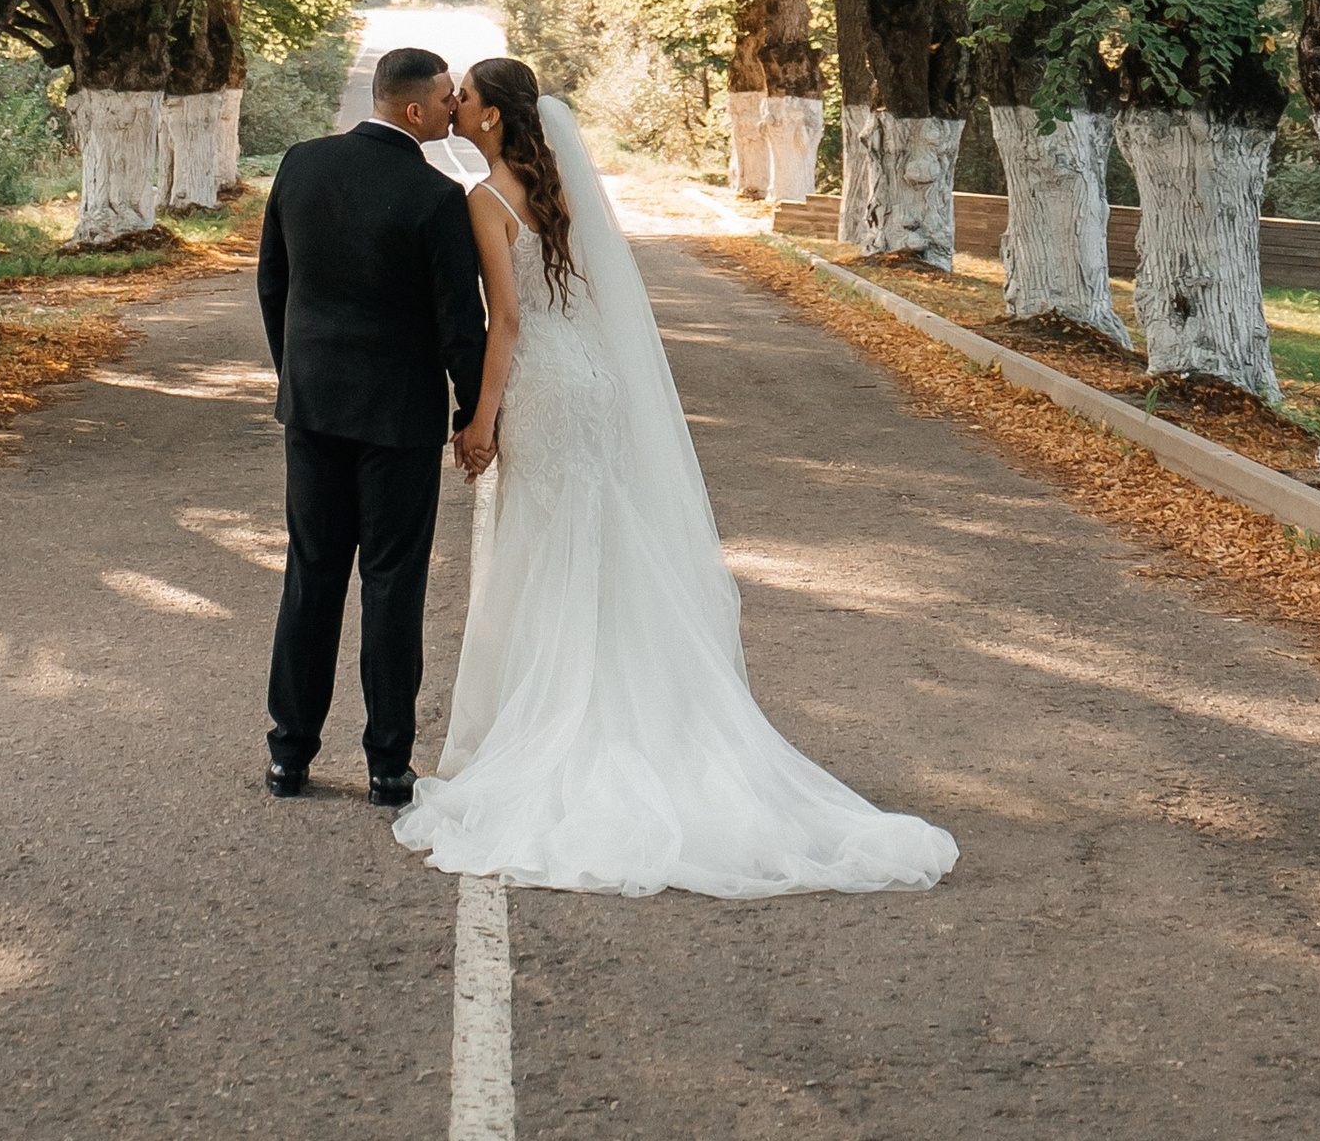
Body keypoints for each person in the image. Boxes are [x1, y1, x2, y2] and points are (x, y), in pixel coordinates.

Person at [392, 55, 958, 900]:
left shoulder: (486, 198)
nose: (454, 105)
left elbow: (505, 320)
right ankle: (645, 711)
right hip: (592, 381)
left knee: (544, 550)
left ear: (493, 117)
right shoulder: (560, 191)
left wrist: (479, 419)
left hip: (544, 388)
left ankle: (559, 720)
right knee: (598, 540)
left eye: (464, 97)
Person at [256, 44, 488, 805]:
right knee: (393, 586)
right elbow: (461, 325)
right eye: (447, 97)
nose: (453, 107)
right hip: (399, 420)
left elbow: (273, 283)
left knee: (311, 575)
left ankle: (288, 756)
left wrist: (296, 376)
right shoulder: (437, 196)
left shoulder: (301, 164)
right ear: (415, 110)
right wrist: (472, 413)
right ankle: (388, 766)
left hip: (313, 408)